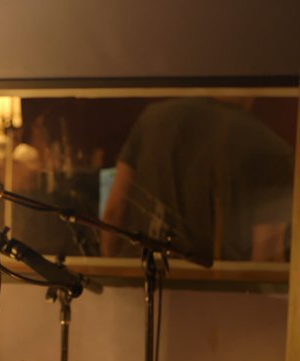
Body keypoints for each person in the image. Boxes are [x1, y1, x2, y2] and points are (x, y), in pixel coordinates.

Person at [101, 97, 293, 264]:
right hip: (217, 286)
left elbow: (114, 212)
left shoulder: (152, 118)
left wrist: (112, 279)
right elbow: (265, 257)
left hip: (140, 277)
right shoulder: (271, 147)